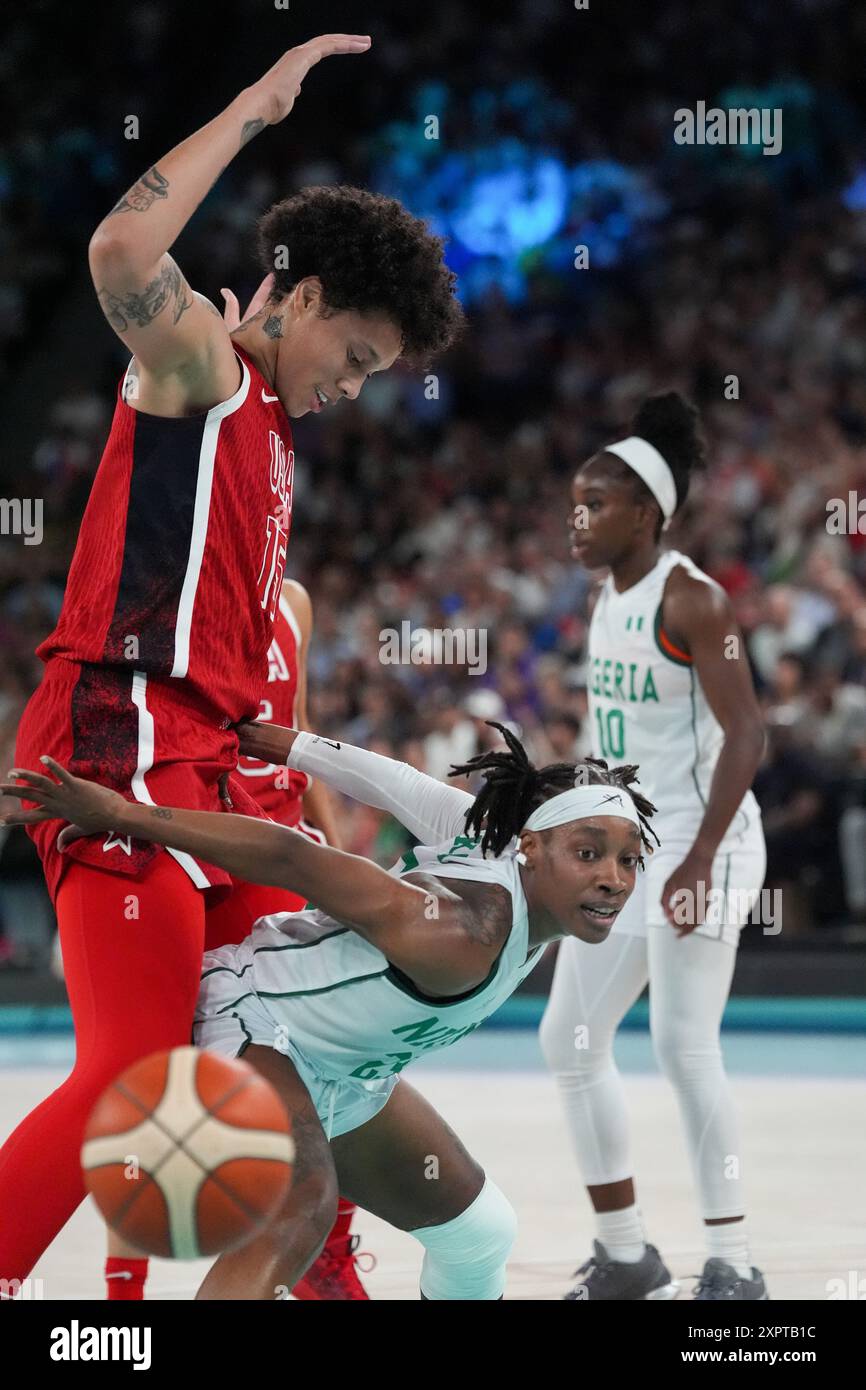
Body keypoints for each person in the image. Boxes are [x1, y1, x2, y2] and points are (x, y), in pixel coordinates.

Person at [0, 32, 464, 1288]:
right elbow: (117, 254)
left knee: (296, 1054)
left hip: (208, 776)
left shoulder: (272, 447)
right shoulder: (200, 366)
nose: (354, 390)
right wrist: (256, 110)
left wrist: (313, 808)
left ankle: (328, 1284)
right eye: (355, 358)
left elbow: (260, 670)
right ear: (298, 297)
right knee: (131, 1074)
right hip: (117, 753)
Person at [2, 722, 657, 1300]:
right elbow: (296, 858)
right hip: (253, 1025)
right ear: (534, 850)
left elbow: (397, 784)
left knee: (482, 1232)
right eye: (590, 853)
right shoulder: (462, 931)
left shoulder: (507, 843)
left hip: (346, 1071)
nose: (614, 878)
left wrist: (291, 743)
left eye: (629, 861)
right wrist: (124, 812)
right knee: (301, 1213)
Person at [539, 392, 769, 1301]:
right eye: (572, 505)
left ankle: (735, 1263)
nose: (577, 521)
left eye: (593, 505)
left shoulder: (694, 600)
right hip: (632, 851)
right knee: (570, 1039)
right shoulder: (606, 597)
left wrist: (701, 860)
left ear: (646, 512)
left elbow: (748, 735)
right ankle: (627, 1253)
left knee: (682, 1044)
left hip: (709, 845)